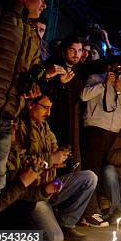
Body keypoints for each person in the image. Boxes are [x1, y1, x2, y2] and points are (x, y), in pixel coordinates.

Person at [0, 0, 52, 233]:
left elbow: (32, 69)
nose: (43, 5)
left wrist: (37, 77)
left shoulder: (31, 34)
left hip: (8, 115)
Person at [0, 95, 97, 241]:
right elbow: (18, 165)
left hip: (45, 187)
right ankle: (12, 236)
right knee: (53, 239)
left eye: (50, 108)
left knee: (89, 177)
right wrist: (50, 160)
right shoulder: (17, 128)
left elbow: (52, 151)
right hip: (30, 194)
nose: (48, 113)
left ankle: (65, 223)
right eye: (45, 107)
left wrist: (60, 158)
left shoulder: (44, 127)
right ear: (31, 105)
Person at [79, 55, 121, 226]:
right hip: (95, 129)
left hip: (114, 133)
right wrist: (104, 84)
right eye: (116, 68)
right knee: (92, 170)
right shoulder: (96, 78)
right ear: (109, 67)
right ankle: (89, 212)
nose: (119, 72)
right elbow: (83, 96)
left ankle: (100, 208)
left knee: (107, 171)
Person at [43, 36, 85, 167]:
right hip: (50, 117)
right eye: (72, 50)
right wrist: (60, 83)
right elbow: (44, 93)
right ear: (64, 50)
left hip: (69, 120)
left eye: (79, 50)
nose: (76, 54)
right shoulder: (53, 66)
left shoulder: (78, 73)